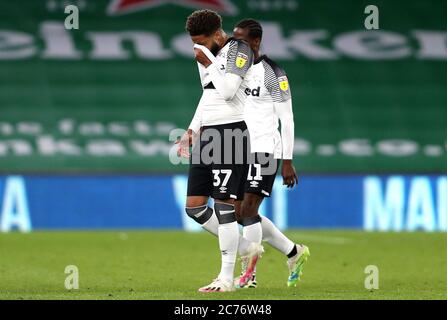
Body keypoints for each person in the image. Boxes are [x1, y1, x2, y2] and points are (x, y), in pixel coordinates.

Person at [178, 10, 263, 293]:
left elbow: (228, 91)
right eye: (193, 42)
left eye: (202, 40)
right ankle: (247, 249)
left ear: (217, 34)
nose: (197, 47)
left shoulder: (238, 50)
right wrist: (191, 131)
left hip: (232, 131)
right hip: (209, 133)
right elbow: (209, 94)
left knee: (224, 206)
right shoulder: (207, 55)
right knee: (194, 207)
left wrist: (210, 62)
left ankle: (226, 279)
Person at [232, 19, 310, 288]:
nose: (236, 45)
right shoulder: (236, 70)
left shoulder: (273, 73)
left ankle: (249, 274)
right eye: (234, 39)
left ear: (255, 42)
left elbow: (287, 119)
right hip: (240, 149)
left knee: (250, 209)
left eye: (240, 40)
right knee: (240, 213)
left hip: (265, 150)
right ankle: (294, 251)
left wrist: (287, 160)